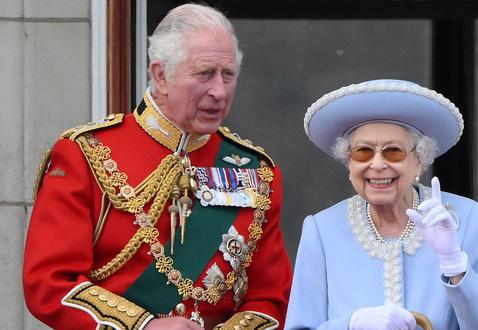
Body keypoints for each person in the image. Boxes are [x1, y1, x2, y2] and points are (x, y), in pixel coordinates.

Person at [23, 3, 292, 330]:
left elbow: (272, 298)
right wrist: (143, 326)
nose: (219, 92)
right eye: (205, 73)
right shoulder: (86, 154)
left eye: (228, 75)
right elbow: (49, 282)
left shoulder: (257, 172)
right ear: (160, 75)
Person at [285, 79, 478, 329]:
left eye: (393, 151)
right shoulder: (322, 230)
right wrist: (351, 325)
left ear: (419, 160)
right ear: (349, 163)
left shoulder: (470, 221)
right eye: (363, 152)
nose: (378, 164)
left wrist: (455, 265)